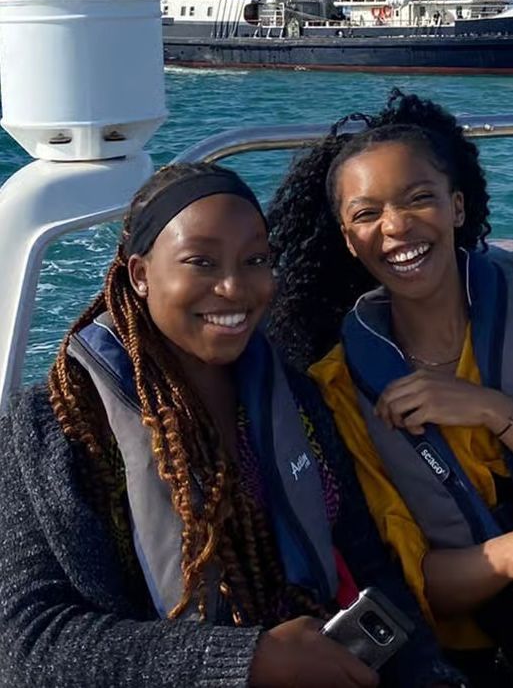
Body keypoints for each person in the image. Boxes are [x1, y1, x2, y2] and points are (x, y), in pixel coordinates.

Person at [0, 159, 461, 688]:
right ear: (141, 274)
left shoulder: (296, 397)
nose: (233, 288)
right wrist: (251, 660)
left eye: (254, 261)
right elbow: (27, 642)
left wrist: (426, 671)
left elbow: (366, 560)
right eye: (201, 262)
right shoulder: (51, 428)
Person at [266, 89, 513, 687]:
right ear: (349, 240)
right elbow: (419, 585)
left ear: (457, 207)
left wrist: (491, 409)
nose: (397, 226)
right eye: (367, 213)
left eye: (419, 199)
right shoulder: (343, 389)